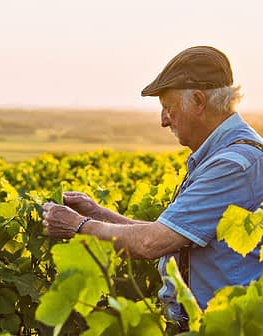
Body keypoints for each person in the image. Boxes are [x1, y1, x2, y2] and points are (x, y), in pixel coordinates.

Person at [42, 46, 263, 331]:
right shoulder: (223, 155)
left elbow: (151, 243)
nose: (163, 120)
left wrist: (78, 225)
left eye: (168, 108)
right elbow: (171, 236)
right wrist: (98, 214)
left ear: (197, 101)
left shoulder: (234, 165)